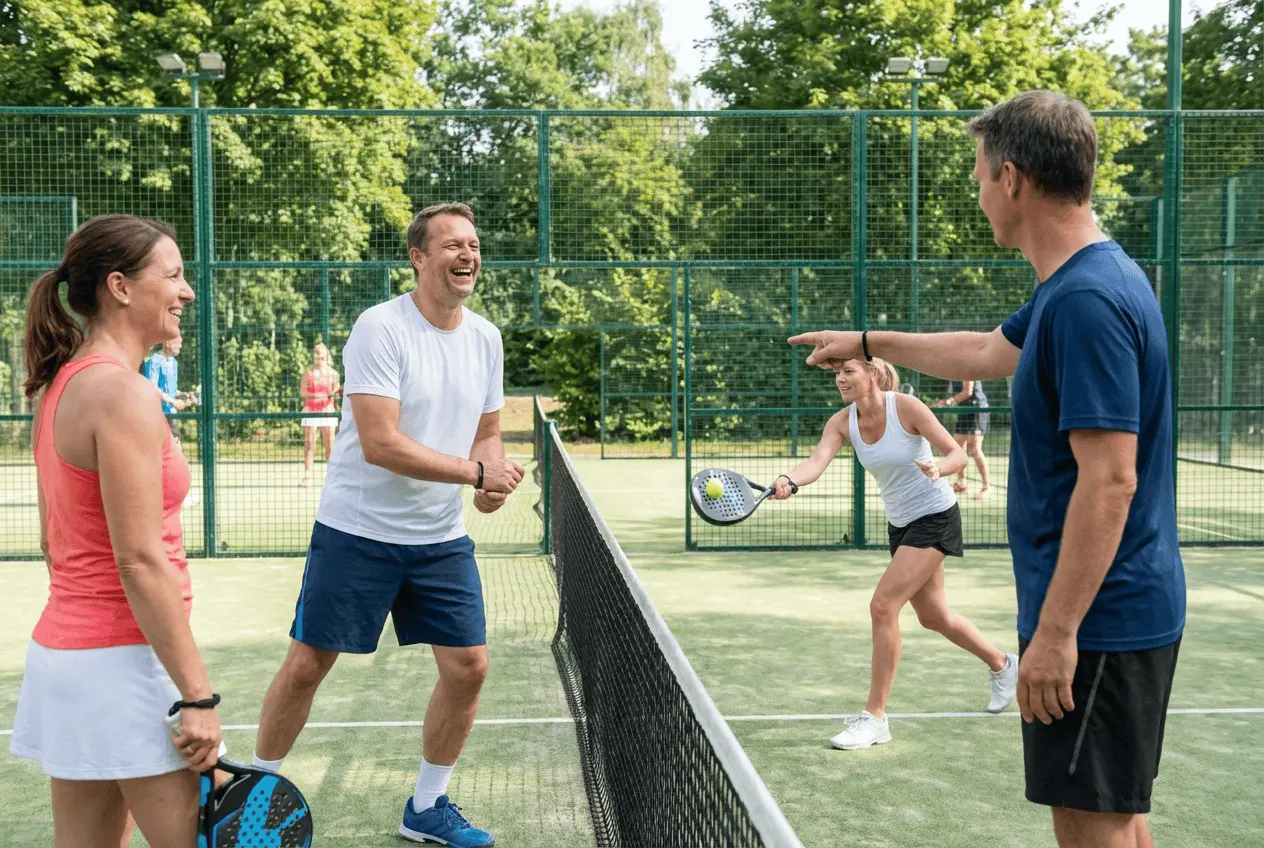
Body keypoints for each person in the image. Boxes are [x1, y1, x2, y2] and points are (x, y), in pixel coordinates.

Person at [790, 90, 1185, 848]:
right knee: (1121, 820)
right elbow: (982, 353)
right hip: (1116, 610)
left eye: (977, 178)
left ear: (1012, 179)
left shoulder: (1088, 300)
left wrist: (1058, 633)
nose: (976, 196)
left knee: (1093, 829)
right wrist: (868, 338)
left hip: (1101, 620)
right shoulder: (1075, 285)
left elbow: (1111, 480)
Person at [251, 202, 524, 848]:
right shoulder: (380, 329)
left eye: (475, 245)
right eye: (453, 245)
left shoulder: (485, 338)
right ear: (418, 257)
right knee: (307, 664)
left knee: (470, 667)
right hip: (358, 532)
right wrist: (472, 475)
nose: (468, 255)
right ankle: (254, 797)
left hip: (438, 540)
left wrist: (489, 480)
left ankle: (425, 807)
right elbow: (381, 443)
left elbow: (488, 434)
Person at [8, 214, 223, 848]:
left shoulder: (61, 385)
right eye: (174, 275)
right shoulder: (122, 394)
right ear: (121, 287)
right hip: (126, 665)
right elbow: (140, 561)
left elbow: (56, 543)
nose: (186, 291)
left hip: (71, 662)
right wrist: (197, 696)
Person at [771, 359, 1018, 750]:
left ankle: (875, 718)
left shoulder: (906, 407)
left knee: (883, 606)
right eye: (837, 373)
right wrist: (789, 479)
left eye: (848, 370)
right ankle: (1003, 665)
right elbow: (817, 461)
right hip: (901, 523)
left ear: (872, 373)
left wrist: (939, 467)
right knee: (934, 617)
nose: (840, 378)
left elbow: (958, 453)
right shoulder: (842, 421)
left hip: (935, 517)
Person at [933, 378, 992, 499]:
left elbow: (967, 392)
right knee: (958, 448)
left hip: (977, 409)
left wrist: (948, 402)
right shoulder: (952, 372)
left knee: (975, 449)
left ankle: (986, 487)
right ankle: (961, 482)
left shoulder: (966, 368)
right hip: (964, 410)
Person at [299, 342, 341, 487]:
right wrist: (315, 395)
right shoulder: (308, 373)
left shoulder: (334, 374)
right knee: (310, 444)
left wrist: (333, 393)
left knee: (330, 444)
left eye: (320, 354)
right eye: (316, 353)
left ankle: (332, 476)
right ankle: (307, 475)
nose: (318, 357)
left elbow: (336, 390)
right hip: (311, 411)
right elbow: (302, 392)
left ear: (325, 355)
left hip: (328, 411)